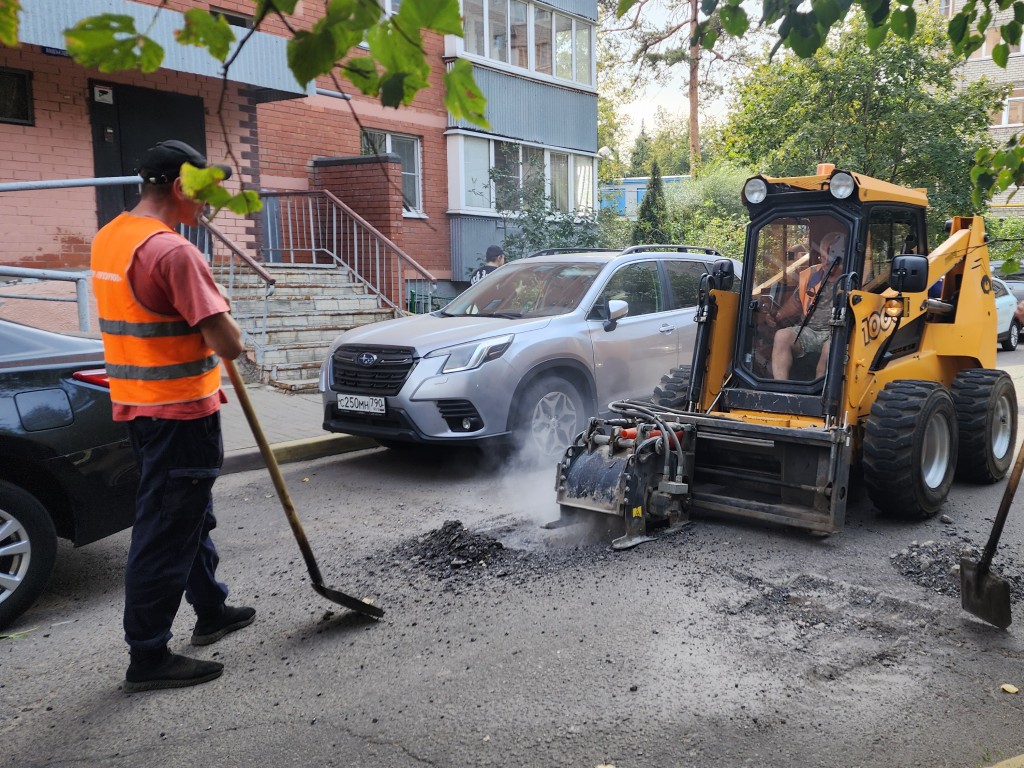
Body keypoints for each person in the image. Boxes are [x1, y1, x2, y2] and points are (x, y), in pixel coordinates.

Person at [91, 139, 254, 693]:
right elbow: (226, 340)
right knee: (166, 528)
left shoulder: (111, 237)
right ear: (181, 188)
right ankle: (149, 655)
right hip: (180, 415)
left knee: (187, 514)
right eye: (205, 191)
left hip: (141, 408)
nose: (209, 204)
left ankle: (210, 608)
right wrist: (232, 333)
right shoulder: (174, 252)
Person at [768, 231, 846, 380]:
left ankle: (820, 396)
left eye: (830, 258)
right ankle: (780, 392)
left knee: (830, 348)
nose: (825, 263)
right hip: (809, 331)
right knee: (782, 336)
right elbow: (795, 303)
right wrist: (776, 316)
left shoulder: (853, 278)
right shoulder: (812, 276)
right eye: (822, 257)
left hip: (836, 333)